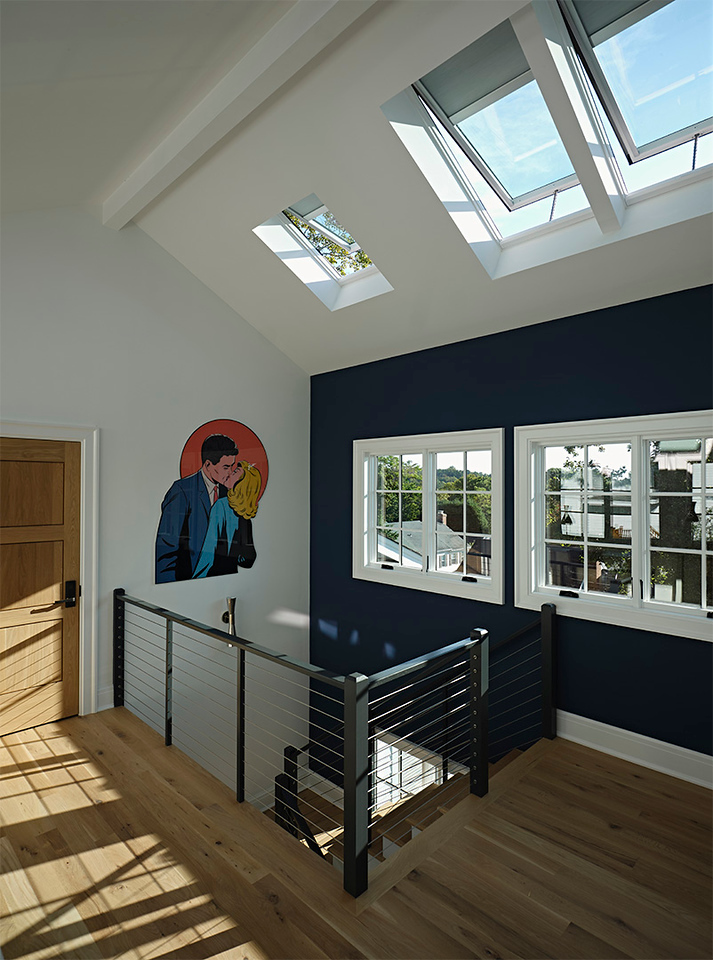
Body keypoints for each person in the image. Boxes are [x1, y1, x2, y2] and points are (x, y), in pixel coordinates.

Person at [155, 434, 238, 582]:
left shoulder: (228, 493)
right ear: (207, 465)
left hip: (223, 582)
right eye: (226, 467)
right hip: (189, 582)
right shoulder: (182, 491)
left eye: (232, 466)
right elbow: (167, 548)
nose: (230, 472)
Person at [192, 461, 261, 578]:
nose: (229, 473)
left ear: (242, 483)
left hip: (213, 575)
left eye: (235, 472)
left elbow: (209, 551)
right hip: (230, 576)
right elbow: (248, 560)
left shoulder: (221, 505)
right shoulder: (244, 515)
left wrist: (196, 578)